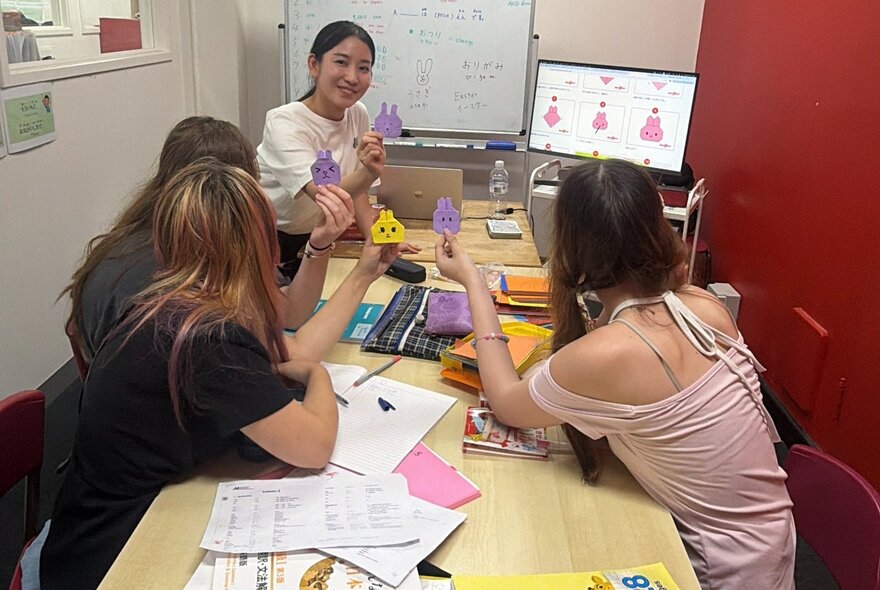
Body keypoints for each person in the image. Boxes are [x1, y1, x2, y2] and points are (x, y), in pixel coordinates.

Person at [30, 159, 403, 590]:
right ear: (263, 244)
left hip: (91, 525)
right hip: (110, 558)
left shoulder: (173, 304)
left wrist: (363, 273)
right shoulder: (206, 337)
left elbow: (282, 351)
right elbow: (314, 446)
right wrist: (317, 376)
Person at [434, 159, 796, 588]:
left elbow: (507, 401)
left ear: (570, 247)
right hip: (774, 547)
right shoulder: (704, 305)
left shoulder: (605, 355)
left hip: (720, 570)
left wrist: (474, 281)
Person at [63, 115, 355, 364]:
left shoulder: (132, 241)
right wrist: (363, 274)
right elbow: (294, 355)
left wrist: (319, 245)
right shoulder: (191, 275)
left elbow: (285, 313)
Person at [257, 20, 417, 279]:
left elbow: (358, 193)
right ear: (314, 65)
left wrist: (377, 239)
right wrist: (367, 172)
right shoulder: (284, 122)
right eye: (341, 62)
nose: (352, 77)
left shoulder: (357, 113)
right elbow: (325, 197)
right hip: (272, 243)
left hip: (322, 233)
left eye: (363, 68)